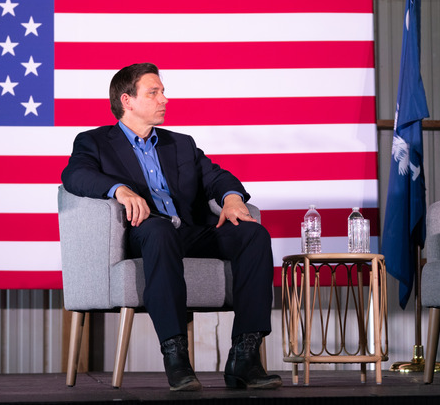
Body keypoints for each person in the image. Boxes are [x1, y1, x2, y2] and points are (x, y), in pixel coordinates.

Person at [61, 63, 282, 391]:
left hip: (188, 231)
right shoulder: (95, 141)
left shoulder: (180, 143)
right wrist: (119, 190)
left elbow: (216, 176)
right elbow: (74, 175)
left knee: (253, 234)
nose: (164, 99)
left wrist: (232, 198)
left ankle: (245, 356)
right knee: (160, 231)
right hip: (143, 232)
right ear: (127, 100)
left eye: (163, 92)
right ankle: (176, 356)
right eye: (154, 93)